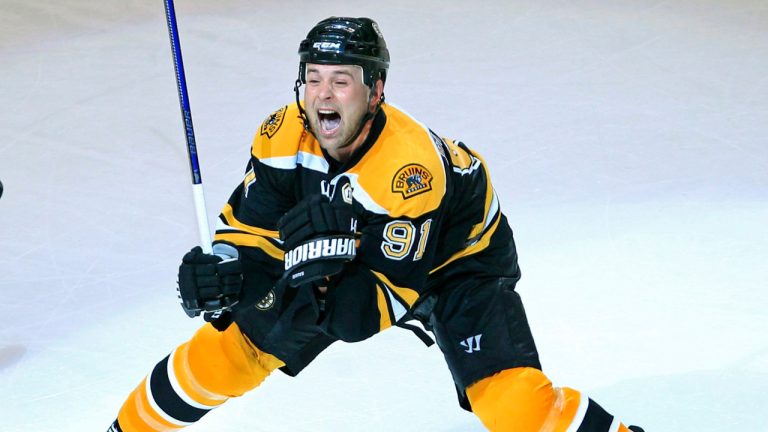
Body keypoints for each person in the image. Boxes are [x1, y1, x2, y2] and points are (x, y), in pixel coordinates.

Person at [108, 17, 643, 432]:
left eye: (342, 82)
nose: (323, 95)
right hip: (360, 254)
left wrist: (318, 270)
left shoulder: (409, 173)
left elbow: (360, 315)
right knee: (226, 351)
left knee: (514, 403)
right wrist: (225, 273)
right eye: (313, 79)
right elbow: (248, 234)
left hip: (459, 263)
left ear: (376, 89)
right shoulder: (280, 136)